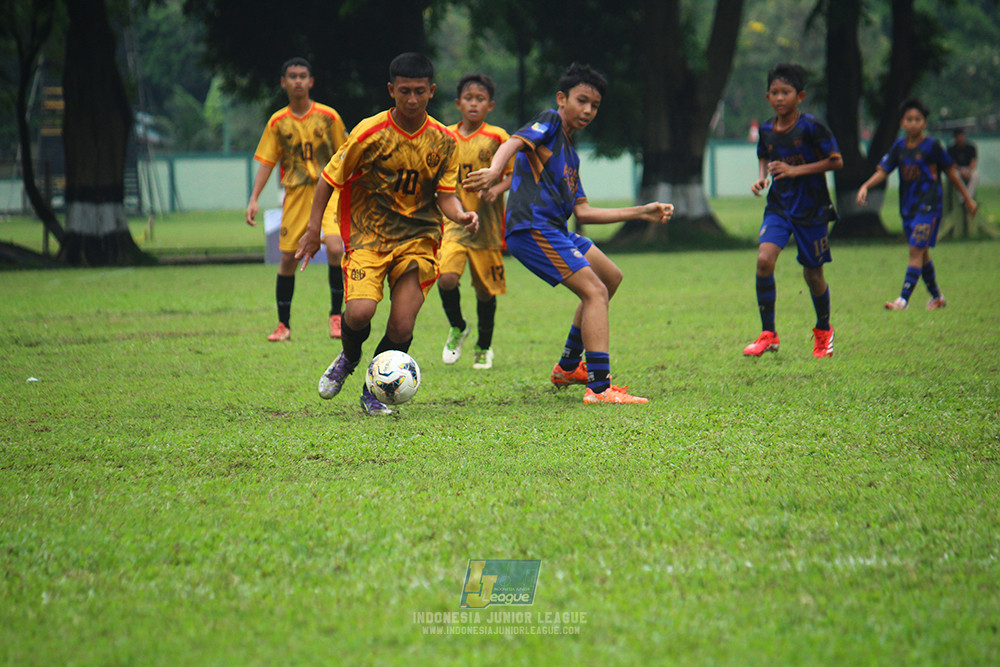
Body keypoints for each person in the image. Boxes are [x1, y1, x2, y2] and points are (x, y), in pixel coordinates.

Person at [463, 63, 673, 405]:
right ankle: (600, 388)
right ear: (562, 99)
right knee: (595, 292)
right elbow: (514, 142)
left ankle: (568, 366)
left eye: (595, 105)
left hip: (555, 230)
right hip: (532, 229)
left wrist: (642, 211)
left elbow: (584, 212)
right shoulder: (549, 122)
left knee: (610, 278)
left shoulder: (571, 157)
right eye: (582, 101)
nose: (588, 110)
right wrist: (494, 170)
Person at [295, 52, 479, 415]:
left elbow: (446, 197)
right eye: (405, 91)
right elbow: (329, 178)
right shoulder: (369, 132)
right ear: (391, 90)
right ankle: (349, 357)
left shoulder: (444, 140)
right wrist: (314, 229)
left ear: (431, 91)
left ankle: (373, 391)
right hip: (369, 236)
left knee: (402, 324)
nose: (412, 99)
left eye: (420, 92)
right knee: (359, 313)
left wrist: (461, 215)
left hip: (418, 239)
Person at [743, 63, 843, 359]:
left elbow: (836, 160)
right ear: (767, 97)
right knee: (764, 260)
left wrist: (795, 170)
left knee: (812, 274)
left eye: (785, 92)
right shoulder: (766, 129)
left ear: (800, 96)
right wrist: (762, 178)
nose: (779, 97)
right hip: (779, 206)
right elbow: (764, 155)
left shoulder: (812, 127)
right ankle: (768, 334)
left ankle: (823, 330)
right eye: (774, 92)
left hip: (812, 208)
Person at [246, 57, 348, 342]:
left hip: (328, 192)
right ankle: (283, 325)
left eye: (303, 76)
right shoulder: (278, 122)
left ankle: (336, 317)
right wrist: (254, 198)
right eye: (293, 76)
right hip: (296, 195)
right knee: (288, 259)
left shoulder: (328, 117)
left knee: (336, 248)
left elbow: (346, 154)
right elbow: (267, 162)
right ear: (284, 83)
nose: (298, 81)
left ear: (311, 82)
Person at [857, 99, 978, 311]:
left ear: (924, 123)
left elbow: (951, 173)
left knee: (915, 250)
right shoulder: (899, 147)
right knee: (922, 254)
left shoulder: (932, 146)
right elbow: (884, 170)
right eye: (909, 119)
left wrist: (967, 198)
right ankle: (937, 297)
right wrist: (866, 185)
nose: (913, 123)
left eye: (918, 119)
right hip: (908, 208)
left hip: (929, 206)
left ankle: (903, 300)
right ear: (902, 122)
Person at [438, 73, 513, 370]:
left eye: (480, 99)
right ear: (458, 103)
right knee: (446, 278)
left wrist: (497, 188)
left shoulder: (498, 137)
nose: (473, 103)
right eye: (468, 98)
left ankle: (483, 346)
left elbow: (514, 174)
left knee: (485, 291)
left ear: (490, 105)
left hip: (487, 226)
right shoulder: (445, 136)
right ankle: (458, 326)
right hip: (454, 222)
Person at [947, 128, 979, 200]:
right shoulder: (951, 149)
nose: (960, 138)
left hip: (968, 169)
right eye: (958, 136)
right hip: (957, 169)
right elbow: (951, 163)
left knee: (975, 175)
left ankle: (968, 198)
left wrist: (969, 171)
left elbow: (973, 161)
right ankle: (963, 199)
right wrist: (961, 170)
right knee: (955, 175)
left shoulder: (970, 147)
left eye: (961, 136)